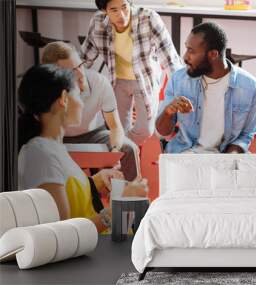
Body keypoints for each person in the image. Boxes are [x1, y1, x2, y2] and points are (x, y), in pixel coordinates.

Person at [18, 64, 147, 233]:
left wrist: (97, 181)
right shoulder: (40, 155)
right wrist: (121, 205)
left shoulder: (51, 147)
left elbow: (67, 191)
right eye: (79, 95)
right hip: (95, 250)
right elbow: (62, 235)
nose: (82, 103)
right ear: (64, 98)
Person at [81, 0, 183, 146]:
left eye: (124, 7)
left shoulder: (148, 18)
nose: (121, 15)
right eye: (114, 10)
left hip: (145, 79)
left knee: (145, 130)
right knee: (117, 127)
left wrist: (181, 89)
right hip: (118, 80)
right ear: (105, 11)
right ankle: (124, 156)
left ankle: (124, 148)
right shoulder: (98, 22)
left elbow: (170, 58)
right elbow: (85, 57)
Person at [156, 22, 256, 154]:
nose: (185, 57)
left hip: (224, 157)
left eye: (191, 51)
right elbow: (162, 131)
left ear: (213, 54)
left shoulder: (249, 86)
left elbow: (246, 135)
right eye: (186, 48)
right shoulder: (179, 79)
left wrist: (229, 158)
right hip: (184, 153)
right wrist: (168, 112)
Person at [42, 41, 139, 181]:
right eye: (70, 71)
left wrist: (115, 151)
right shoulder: (47, 91)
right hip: (58, 138)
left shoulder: (99, 82)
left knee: (129, 148)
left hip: (94, 134)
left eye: (80, 65)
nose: (80, 73)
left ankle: (131, 199)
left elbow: (115, 126)